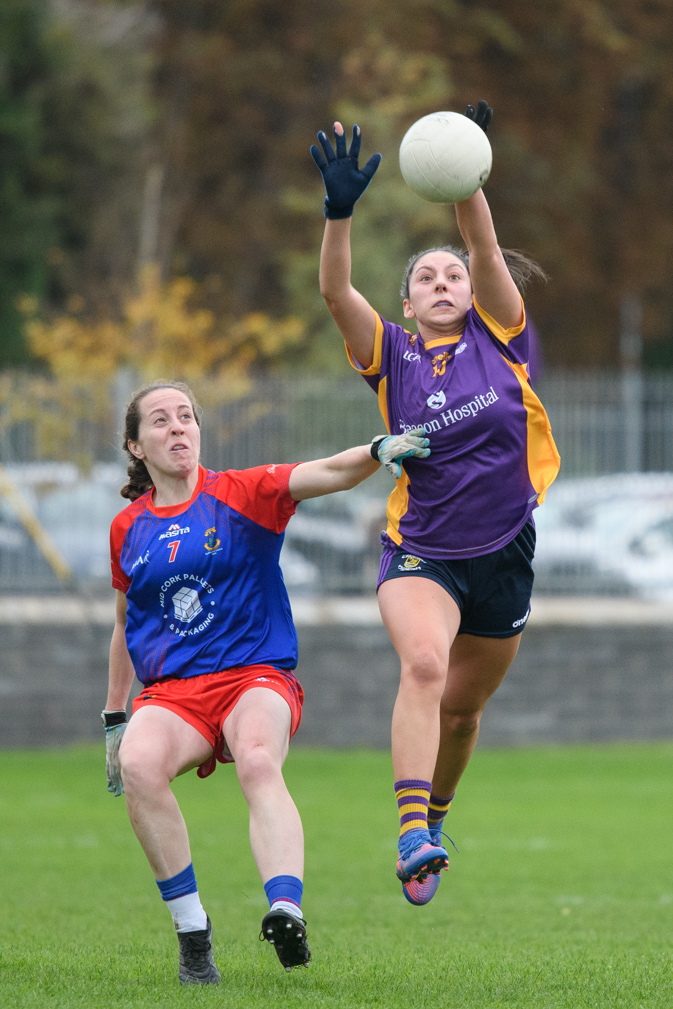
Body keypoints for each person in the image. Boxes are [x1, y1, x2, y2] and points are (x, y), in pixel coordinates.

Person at [310, 100, 561, 905]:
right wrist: (338, 212)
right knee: (423, 665)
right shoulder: (389, 353)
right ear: (409, 303)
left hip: (504, 551)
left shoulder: (502, 336)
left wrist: (468, 170)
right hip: (419, 549)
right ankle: (411, 830)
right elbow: (333, 290)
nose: (444, 279)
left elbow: (483, 242)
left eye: (450, 272)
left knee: (460, 712)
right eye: (426, 276)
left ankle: (438, 817)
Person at [102, 379, 429, 984]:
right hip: (174, 693)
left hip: (254, 674)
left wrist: (377, 449)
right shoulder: (128, 529)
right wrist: (115, 714)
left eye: (186, 417)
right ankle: (193, 936)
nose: (178, 428)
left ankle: (285, 909)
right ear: (136, 446)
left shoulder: (241, 492)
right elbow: (125, 624)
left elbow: (326, 472)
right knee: (139, 764)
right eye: (161, 421)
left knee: (257, 759)